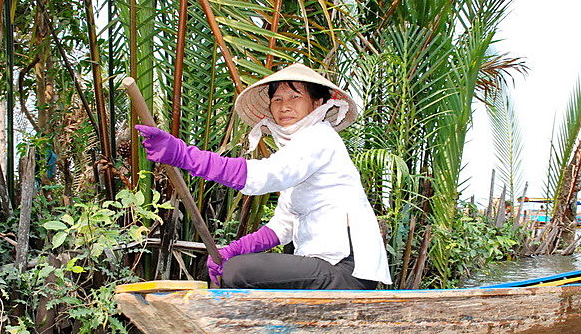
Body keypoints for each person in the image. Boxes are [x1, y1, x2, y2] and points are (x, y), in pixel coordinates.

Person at [136, 63, 392, 289]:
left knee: (238, 272)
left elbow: (263, 176)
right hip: (322, 265)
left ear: (318, 104)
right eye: (277, 99)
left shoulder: (319, 138)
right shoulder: (297, 150)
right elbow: (282, 227)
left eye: (295, 96)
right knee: (234, 264)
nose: (285, 105)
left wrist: (183, 155)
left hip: (346, 270)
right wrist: (234, 249)